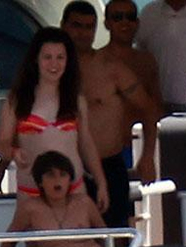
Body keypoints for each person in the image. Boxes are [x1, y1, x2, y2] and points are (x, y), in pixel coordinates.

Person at [0, 150, 166, 247]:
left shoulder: (83, 202)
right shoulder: (31, 208)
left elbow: (106, 235)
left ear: (69, 180)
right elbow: (8, 242)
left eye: (62, 175)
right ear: (40, 181)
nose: (57, 180)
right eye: (50, 175)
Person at [61, 1, 158, 228]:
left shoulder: (110, 68)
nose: (83, 33)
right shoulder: (51, 69)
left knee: (114, 241)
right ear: (63, 26)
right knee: (67, 242)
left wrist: (147, 156)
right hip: (61, 169)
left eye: (89, 27)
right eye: (76, 26)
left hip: (108, 166)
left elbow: (149, 108)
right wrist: (1, 168)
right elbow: (24, 113)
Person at [0, 26, 109, 212]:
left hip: (73, 191)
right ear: (36, 59)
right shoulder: (17, 100)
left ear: (68, 61)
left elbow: (86, 144)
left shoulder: (76, 100)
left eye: (60, 57)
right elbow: (1, 143)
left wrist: (101, 183)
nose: (54, 64)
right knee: (35, 241)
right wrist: (14, 152)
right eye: (47, 57)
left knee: (78, 241)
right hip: (31, 191)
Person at [100, 0, 164, 167]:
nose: (124, 22)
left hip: (143, 146)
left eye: (130, 17)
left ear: (137, 23)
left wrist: (149, 154)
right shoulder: (97, 62)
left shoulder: (146, 61)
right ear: (107, 23)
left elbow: (155, 106)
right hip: (107, 151)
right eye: (117, 17)